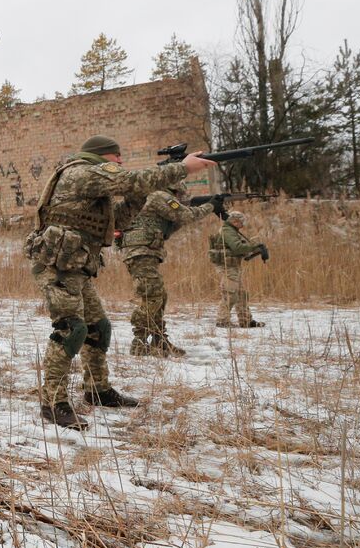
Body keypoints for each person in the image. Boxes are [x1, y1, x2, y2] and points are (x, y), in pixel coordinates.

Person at [24, 135, 216, 431]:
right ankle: (53, 403)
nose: (121, 161)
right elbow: (131, 180)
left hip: (76, 265)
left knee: (98, 327)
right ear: (101, 156)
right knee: (71, 329)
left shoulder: (92, 184)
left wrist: (143, 194)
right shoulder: (82, 172)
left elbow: (119, 220)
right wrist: (182, 168)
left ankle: (97, 390)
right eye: (117, 157)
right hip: (57, 266)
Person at [119, 185, 217, 356]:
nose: (180, 198)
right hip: (140, 252)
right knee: (152, 297)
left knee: (160, 296)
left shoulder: (155, 198)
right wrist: (210, 206)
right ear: (175, 190)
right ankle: (139, 342)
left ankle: (159, 340)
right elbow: (187, 215)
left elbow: (171, 227)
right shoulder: (160, 195)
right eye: (180, 194)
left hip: (144, 252)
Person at [210, 210, 267, 328]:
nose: (243, 225)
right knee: (230, 294)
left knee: (241, 294)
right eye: (241, 222)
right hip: (227, 266)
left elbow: (241, 250)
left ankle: (246, 321)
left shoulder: (232, 231)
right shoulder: (227, 231)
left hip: (233, 266)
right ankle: (222, 320)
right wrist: (253, 245)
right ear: (235, 221)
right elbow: (237, 248)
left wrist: (257, 249)